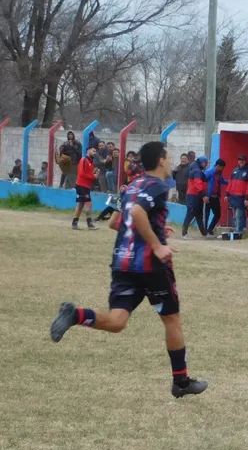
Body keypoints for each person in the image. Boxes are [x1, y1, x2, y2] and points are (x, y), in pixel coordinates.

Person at [49, 141, 207, 398]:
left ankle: (75, 315)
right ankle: (181, 382)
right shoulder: (159, 186)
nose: (170, 163)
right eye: (167, 158)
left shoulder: (133, 185)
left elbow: (115, 222)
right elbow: (136, 212)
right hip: (150, 266)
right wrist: (156, 245)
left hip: (123, 263)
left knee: (117, 321)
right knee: (172, 319)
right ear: (160, 161)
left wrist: (155, 229)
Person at [181, 156, 209, 238]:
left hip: (195, 195)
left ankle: (204, 233)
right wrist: (203, 195)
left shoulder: (195, 170)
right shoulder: (197, 171)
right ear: (203, 163)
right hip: (194, 195)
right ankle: (184, 233)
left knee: (198, 215)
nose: (206, 165)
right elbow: (198, 184)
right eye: (206, 163)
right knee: (190, 214)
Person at [72, 146, 98, 230]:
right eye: (93, 151)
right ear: (88, 151)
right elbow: (82, 174)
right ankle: (89, 224)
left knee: (80, 204)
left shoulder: (90, 161)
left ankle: (74, 223)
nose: (95, 153)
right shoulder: (84, 160)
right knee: (88, 204)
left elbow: (87, 173)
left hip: (83, 185)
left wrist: (94, 173)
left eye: (95, 151)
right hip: (82, 185)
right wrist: (94, 177)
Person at [226, 155, 248, 233]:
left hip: (241, 197)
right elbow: (230, 183)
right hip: (233, 196)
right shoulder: (235, 170)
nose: (241, 161)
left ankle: (238, 232)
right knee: (234, 216)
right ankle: (235, 231)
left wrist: (246, 198)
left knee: (239, 215)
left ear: (246, 161)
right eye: (239, 160)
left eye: (243, 160)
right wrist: (227, 194)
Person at [203, 159, 228, 236]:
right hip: (208, 197)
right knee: (206, 215)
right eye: (222, 167)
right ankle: (205, 231)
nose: (222, 169)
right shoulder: (209, 172)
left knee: (218, 214)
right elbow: (203, 182)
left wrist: (232, 182)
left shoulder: (219, 173)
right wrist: (204, 195)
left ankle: (209, 229)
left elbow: (223, 181)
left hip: (215, 197)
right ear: (218, 166)